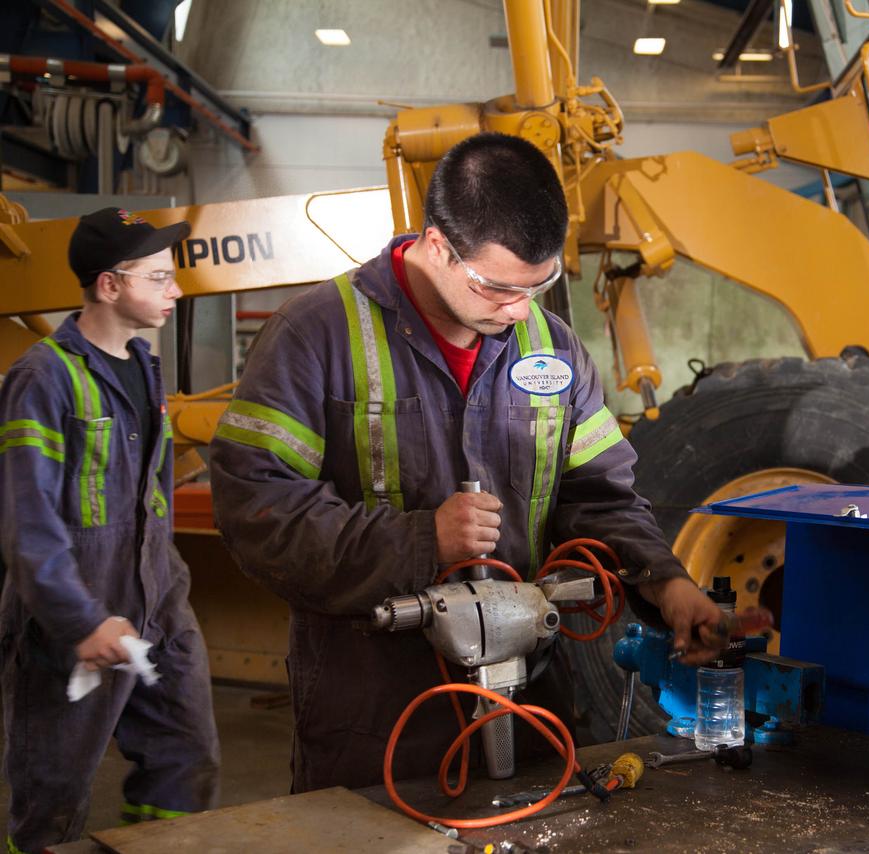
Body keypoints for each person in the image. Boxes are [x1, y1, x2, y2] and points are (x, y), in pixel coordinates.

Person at [209, 132, 726, 793]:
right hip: (375, 710)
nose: (517, 311)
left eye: (537, 287)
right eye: (496, 288)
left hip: (531, 699)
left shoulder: (552, 350)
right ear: (435, 245)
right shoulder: (318, 335)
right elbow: (258, 509)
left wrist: (666, 582)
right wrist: (422, 540)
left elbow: (602, 498)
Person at [0, 208, 220, 852]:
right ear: (109, 285)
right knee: (53, 791)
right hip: (74, 613)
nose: (174, 290)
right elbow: (28, 521)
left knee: (186, 755)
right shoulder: (44, 378)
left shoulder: (142, 364)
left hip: (158, 600)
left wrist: (165, 590)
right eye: (158, 277)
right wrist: (78, 619)